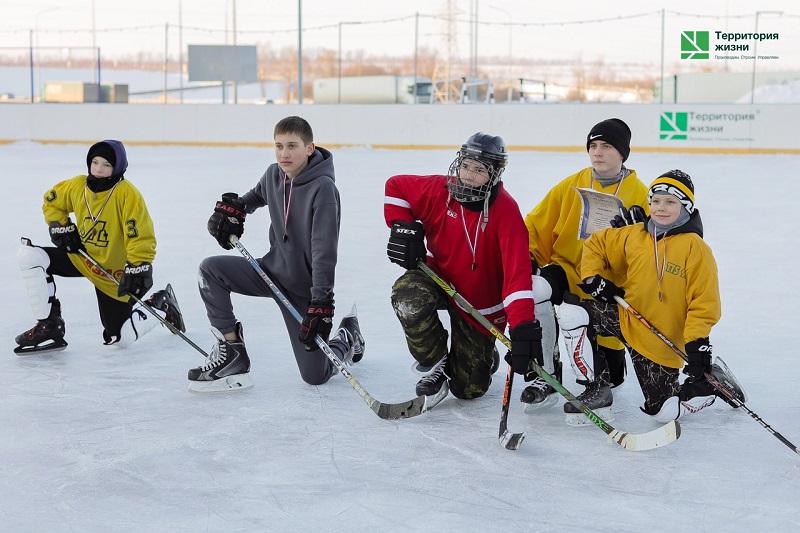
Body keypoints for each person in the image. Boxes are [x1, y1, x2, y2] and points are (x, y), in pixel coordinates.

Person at [558, 169, 746, 425]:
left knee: (663, 412)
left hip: (659, 339)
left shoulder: (696, 248)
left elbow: (704, 303)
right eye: (655, 201)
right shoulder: (635, 234)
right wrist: (594, 279)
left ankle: (711, 385)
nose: (661, 208)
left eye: (670, 202)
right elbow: (596, 244)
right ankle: (596, 389)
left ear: (686, 207)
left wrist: (697, 344)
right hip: (626, 316)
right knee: (572, 313)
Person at [190, 115, 364, 392]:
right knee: (210, 270)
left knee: (315, 376)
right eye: (279, 146)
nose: (284, 154)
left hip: (301, 288)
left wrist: (321, 302)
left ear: (309, 148)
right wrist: (234, 211)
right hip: (269, 272)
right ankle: (232, 350)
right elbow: (254, 198)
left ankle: (347, 337)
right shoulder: (274, 174)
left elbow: (324, 251)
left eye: (292, 146)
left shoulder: (323, 189)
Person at [385, 132, 542, 402]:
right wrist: (403, 230)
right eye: (465, 165)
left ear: (495, 173)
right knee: (407, 296)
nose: (468, 175)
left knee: (468, 390)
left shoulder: (507, 212)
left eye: (479, 170)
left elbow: (517, 277)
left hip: (479, 305)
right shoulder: (440, 190)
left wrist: (521, 327)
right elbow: (395, 187)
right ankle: (436, 362)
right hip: (439, 279)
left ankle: (481, 356)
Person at [520, 118, 650, 414]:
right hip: (567, 270)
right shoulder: (571, 185)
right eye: (593, 145)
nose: (597, 152)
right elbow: (536, 224)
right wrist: (528, 256)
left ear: (623, 152)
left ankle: (605, 374)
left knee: (613, 378)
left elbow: (651, 253)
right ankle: (546, 374)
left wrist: (639, 234)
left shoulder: (641, 195)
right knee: (536, 289)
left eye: (607, 146)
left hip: (607, 283)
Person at [15, 139, 184, 354]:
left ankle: (161, 304)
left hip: (111, 272)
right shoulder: (77, 186)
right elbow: (52, 201)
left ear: (118, 167)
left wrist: (138, 265)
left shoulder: (126, 193)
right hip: (82, 257)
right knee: (30, 256)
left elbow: (140, 234)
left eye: (106, 165)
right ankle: (49, 326)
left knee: (121, 337)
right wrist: (60, 226)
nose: (98, 169)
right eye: (95, 162)